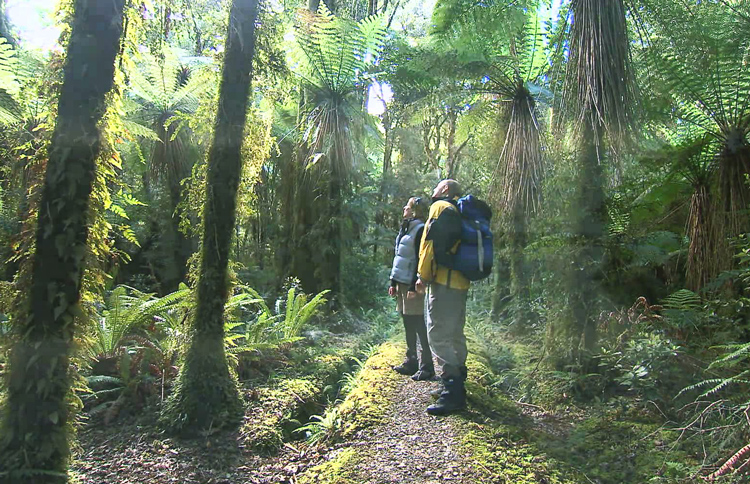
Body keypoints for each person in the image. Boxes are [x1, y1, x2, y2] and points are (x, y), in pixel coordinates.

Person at [416, 179, 469, 416]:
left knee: (437, 334)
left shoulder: (439, 208)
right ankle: (458, 386)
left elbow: (428, 245)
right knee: (455, 332)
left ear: (445, 190)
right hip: (461, 282)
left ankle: (452, 392)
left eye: (437, 186)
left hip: (443, 282)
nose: (434, 190)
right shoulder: (460, 210)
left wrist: (423, 276)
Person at [388, 196, 435, 381]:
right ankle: (411, 361)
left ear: (414, 210)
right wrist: (393, 282)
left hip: (411, 284)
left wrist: (413, 286)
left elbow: (419, 258)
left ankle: (427, 365)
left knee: (417, 323)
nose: (403, 209)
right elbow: (399, 257)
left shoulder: (420, 229)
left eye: (406, 207)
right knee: (407, 321)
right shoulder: (405, 228)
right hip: (400, 282)